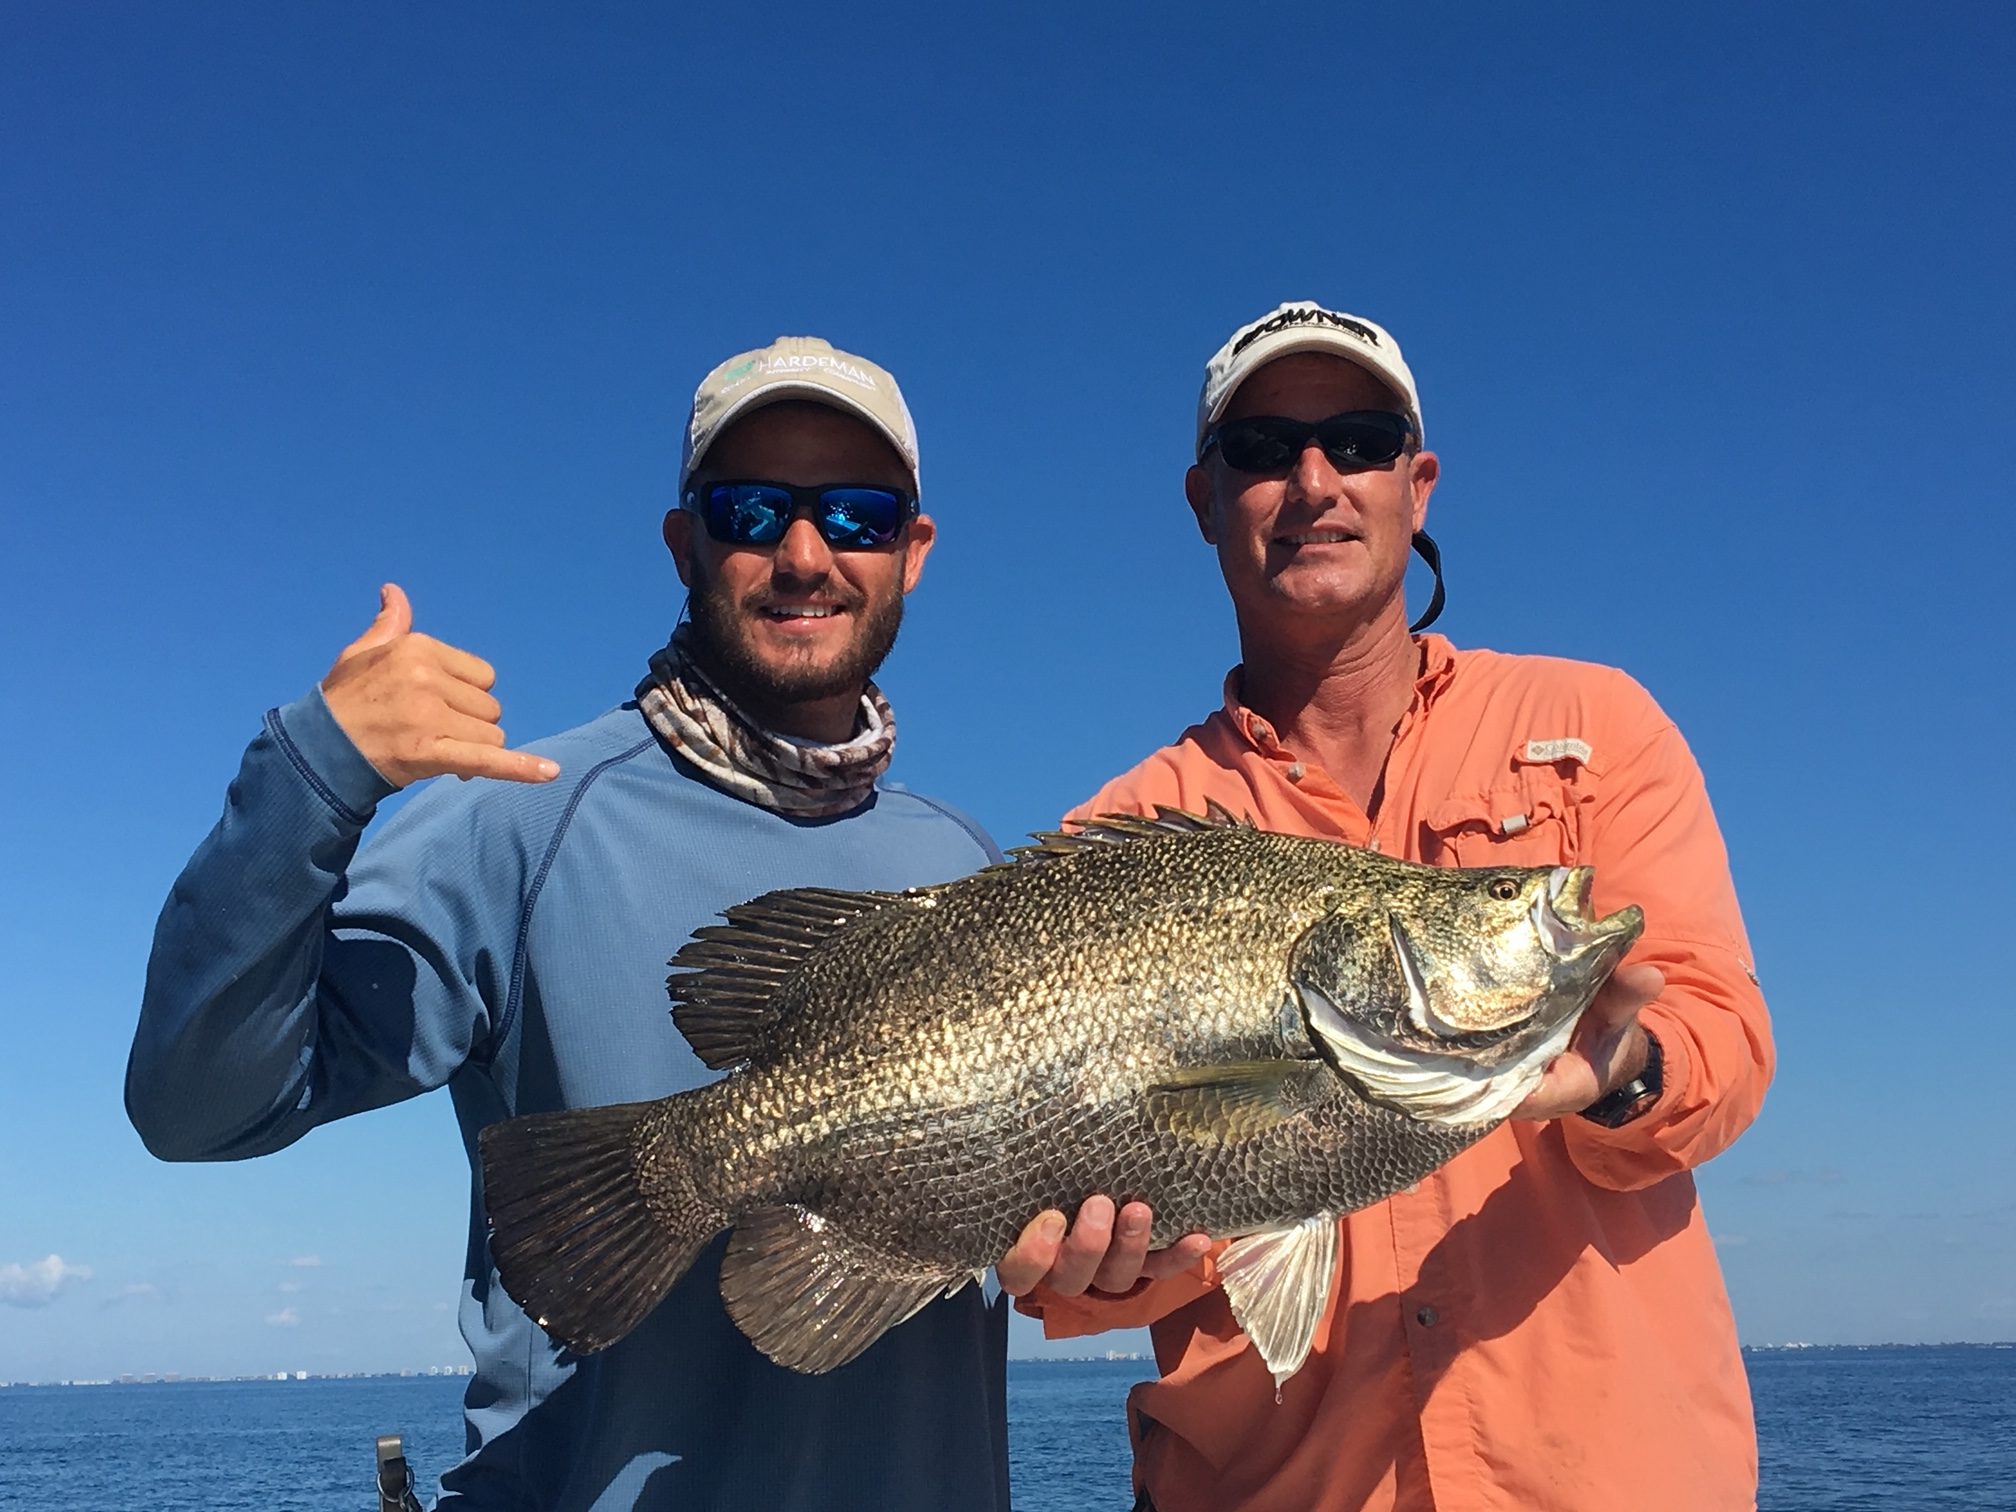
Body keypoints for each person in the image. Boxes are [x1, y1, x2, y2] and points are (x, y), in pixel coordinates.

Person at [127, 336, 1013, 1511]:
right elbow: (199, 1107)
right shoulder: (517, 821)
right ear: (684, 540)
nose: (805, 554)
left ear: (914, 549)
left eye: (856, 514)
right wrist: (312, 771)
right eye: (753, 509)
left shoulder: (964, 864)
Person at [1000, 301, 1775, 1511]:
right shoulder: (1126, 831)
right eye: (1261, 451)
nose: (1313, 482)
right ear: (1206, 501)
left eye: (1357, 442)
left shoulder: (1597, 729)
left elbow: (1725, 1035)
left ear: (1417, 486)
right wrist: (1103, 1275)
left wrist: (1627, 1075)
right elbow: (1066, 1265)